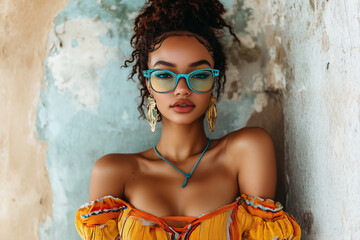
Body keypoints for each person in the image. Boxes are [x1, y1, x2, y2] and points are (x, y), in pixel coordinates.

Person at [75, 0, 301, 239]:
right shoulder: (113, 172)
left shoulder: (246, 150)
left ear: (214, 81)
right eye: (164, 75)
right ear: (147, 84)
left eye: (200, 75)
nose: (182, 88)